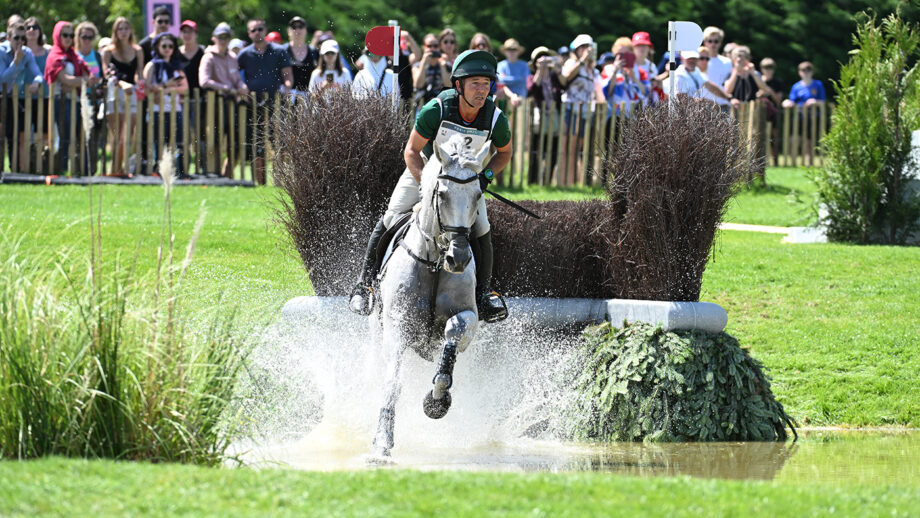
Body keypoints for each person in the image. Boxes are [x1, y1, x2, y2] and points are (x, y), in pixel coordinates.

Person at [349, 49, 513, 323]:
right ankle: (364, 285)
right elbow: (411, 151)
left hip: (463, 183)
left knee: (482, 227)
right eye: (475, 84)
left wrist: (485, 176)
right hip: (424, 170)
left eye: (486, 84)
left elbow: (505, 153)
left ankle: (484, 294)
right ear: (458, 85)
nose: (481, 91)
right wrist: (426, 185)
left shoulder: (495, 118)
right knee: (392, 216)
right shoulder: (436, 109)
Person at [237, 17, 293, 184]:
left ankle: (279, 180)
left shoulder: (278, 51)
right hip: (252, 104)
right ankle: (259, 181)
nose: (257, 32)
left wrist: (287, 87)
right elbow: (234, 75)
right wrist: (241, 86)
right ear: (249, 33)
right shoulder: (244, 54)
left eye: (260, 29)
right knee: (256, 141)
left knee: (278, 141)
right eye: (253, 30)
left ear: (265, 30)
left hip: (276, 102)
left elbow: (288, 74)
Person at [199, 22, 248, 177]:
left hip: (232, 104)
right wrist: (226, 88)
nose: (223, 40)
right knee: (215, 140)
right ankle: (213, 173)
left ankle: (226, 174)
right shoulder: (208, 57)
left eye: (226, 37)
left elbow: (236, 79)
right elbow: (204, 81)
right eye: (221, 37)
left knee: (237, 140)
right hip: (214, 104)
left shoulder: (233, 57)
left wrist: (242, 86)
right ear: (214, 38)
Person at [44, 20, 92, 173]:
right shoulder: (54, 55)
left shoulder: (74, 55)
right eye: (64, 34)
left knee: (76, 137)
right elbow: (65, 80)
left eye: (71, 35)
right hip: (60, 101)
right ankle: (61, 169)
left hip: (76, 101)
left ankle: (76, 170)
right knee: (64, 137)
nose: (68, 38)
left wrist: (77, 82)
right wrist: (82, 81)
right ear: (57, 35)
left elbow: (87, 74)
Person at [102, 17, 144, 176]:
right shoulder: (108, 51)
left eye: (126, 28)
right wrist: (121, 84)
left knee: (128, 132)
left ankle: (123, 168)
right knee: (117, 133)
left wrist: (141, 85)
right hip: (114, 92)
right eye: (120, 28)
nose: (123, 31)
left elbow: (139, 74)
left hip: (131, 93)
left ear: (130, 30)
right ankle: (115, 168)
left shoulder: (137, 50)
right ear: (115, 31)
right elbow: (107, 75)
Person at [144, 32, 188, 179]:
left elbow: (185, 88)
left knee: (177, 141)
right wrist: (166, 85)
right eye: (164, 46)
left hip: (175, 108)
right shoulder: (151, 66)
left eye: (171, 46)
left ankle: (179, 171)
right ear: (157, 47)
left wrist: (168, 89)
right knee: (159, 142)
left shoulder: (177, 67)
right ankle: (159, 170)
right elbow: (147, 87)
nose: (167, 49)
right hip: (157, 109)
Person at [0, 22, 42, 172]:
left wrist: (37, 83)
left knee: (13, 134)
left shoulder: (27, 52)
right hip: (1, 94)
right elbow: (2, 80)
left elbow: (37, 73)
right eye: (16, 38)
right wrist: (16, 63)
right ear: (9, 37)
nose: (19, 42)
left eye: (22, 39)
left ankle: (14, 169)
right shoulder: (1, 52)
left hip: (11, 97)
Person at [526, 46, 564, 184]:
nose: (543, 62)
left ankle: (547, 179)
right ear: (535, 63)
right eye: (540, 59)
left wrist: (556, 68)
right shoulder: (531, 77)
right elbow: (531, 90)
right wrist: (539, 73)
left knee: (553, 151)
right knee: (536, 151)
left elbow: (565, 85)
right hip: (540, 117)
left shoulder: (555, 77)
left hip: (554, 116)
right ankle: (533, 181)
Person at [664, 49, 730, 101]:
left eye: (694, 58)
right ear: (682, 59)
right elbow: (681, 99)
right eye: (689, 58)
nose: (692, 60)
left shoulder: (695, 70)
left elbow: (709, 86)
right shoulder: (680, 75)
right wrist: (703, 102)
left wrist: (728, 97)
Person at [701, 26, 732, 112]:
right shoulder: (699, 60)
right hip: (704, 107)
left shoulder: (727, 62)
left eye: (716, 41)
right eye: (710, 41)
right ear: (705, 42)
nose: (713, 44)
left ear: (720, 43)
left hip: (723, 106)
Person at [412, 33, 450, 105]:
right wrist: (423, 63)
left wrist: (442, 65)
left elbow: (448, 85)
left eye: (435, 46)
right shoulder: (417, 66)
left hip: (441, 104)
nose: (432, 49)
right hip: (422, 104)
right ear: (423, 47)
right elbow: (418, 85)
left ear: (439, 47)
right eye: (429, 46)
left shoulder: (446, 65)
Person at [285, 16, 317, 93]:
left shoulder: (314, 52)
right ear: (289, 31)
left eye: (301, 26)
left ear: (306, 30)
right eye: (294, 27)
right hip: (288, 96)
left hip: (309, 96)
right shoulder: (283, 51)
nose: (298, 30)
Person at [178, 20, 203, 91]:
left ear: (196, 34)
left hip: (201, 97)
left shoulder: (204, 53)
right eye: (184, 32)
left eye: (190, 31)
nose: (187, 34)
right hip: (181, 98)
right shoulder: (175, 54)